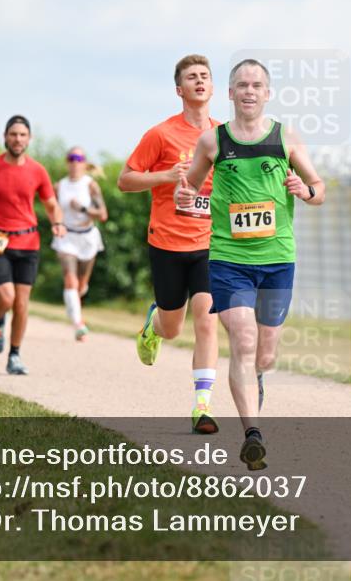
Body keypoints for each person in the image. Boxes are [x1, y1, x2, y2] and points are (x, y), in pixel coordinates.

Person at [176, 59, 326, 470]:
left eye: (256, 85)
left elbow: (319, 189)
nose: (248, 91)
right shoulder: (213, 141)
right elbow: (186, 188)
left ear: (267, 93)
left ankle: (258, 376)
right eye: (241, 84)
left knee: (265, 353)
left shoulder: (286, 137)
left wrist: (305, 189)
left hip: (278, 259)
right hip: (229, 258)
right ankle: (252, 434)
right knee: (242, 339)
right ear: (229, 93)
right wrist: (183, 198)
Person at [118, 54, 223, 434]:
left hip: (210, 243)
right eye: (192, 77)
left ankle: (202, 406)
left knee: (207, 320)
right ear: (180, 89)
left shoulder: (224, 136)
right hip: (166, 242)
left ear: (212, 88)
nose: (199, 81)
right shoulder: (160, 134)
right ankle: (153, 325)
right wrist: (166, 175)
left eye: (205, 76)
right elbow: (125, 180)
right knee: (172, 328)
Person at [0, 115, 65, 375]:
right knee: (5, 297)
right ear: (5, 137)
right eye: (13, 134)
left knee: (21, 304)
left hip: (28, 242)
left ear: (29, 139)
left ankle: (14, 355)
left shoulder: (38, 170)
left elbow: (51, 203)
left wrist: (57, 222)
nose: (17, 139)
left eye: (22, 135)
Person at [51, 146, 108, 341]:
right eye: (71, 158)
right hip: (66, 236)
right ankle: (78, 324)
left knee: (81, 285)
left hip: (87, 238)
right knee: (70, 280)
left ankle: (75, 309)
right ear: (67, 162)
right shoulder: (59, 186)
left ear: (84, 163)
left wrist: (82, 208)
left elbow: (102, 214)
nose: (75, 162)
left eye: (79, 158)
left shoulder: (90, 185)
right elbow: (51, 209)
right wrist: (56, 223)